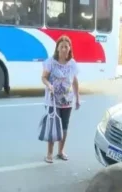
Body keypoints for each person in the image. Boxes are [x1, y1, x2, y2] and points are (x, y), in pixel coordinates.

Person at [41, 35, 80, 163]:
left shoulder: (72, 64)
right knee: (53, 126)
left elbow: (74, 81)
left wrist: (77, 98)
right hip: (53, 101)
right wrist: (49, 85)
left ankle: (61, 151)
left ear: (69, 49)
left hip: (67, 101)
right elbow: (44, 77)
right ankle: (49, 153)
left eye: (66, 46)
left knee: (64, 127)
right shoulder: (51, 62)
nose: (64, 49)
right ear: (57, 48)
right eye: (61, 46)